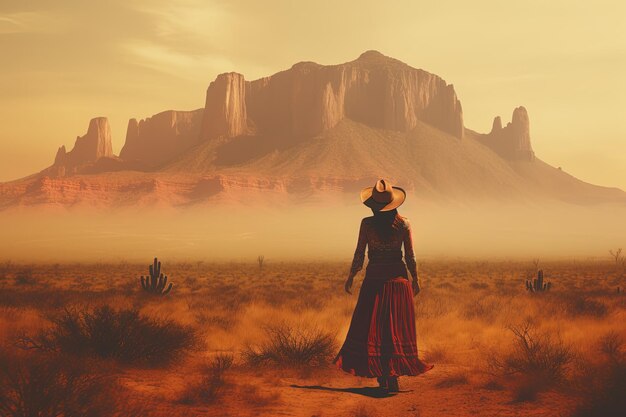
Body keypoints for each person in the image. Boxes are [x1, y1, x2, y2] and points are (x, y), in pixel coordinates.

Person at [334, 179, 433, 393]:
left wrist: (351, 275)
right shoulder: (404, 224)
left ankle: (383, 374)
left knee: (375, 329)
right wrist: (415, 278)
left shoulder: (367, 224)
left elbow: (359, 253)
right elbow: (410, 256)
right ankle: (393, 375)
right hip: (398, 281)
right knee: (395, 328)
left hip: (374, 281)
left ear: (373, 206)